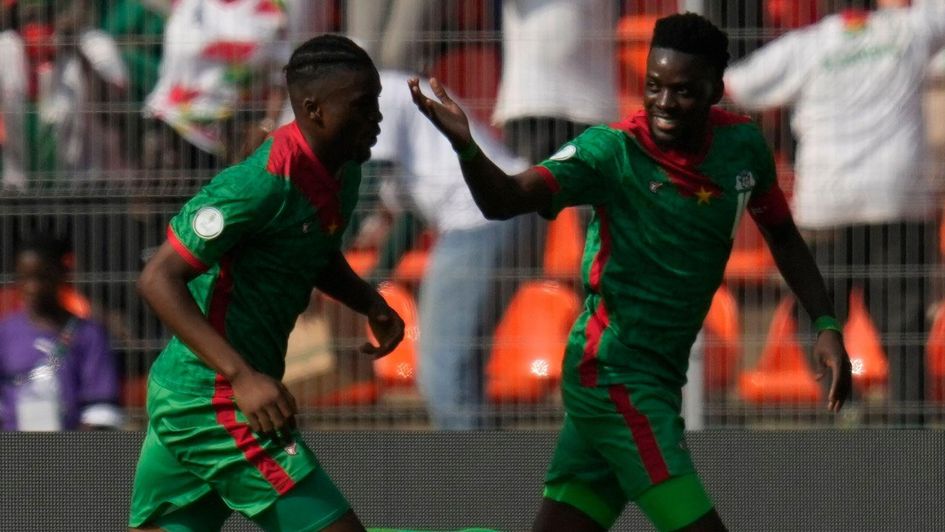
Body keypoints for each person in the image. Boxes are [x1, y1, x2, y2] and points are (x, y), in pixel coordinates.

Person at [409, 12, 852, 532]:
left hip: (660, 377)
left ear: (714, 91)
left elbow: (783, 236)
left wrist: (825, 323)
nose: (663, 103)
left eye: (683, 91)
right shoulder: (612, 151)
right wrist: (466, 145)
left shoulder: (742, 148)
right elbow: (505, 199)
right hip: (613, 375)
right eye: (653, 86)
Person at [128, 35, 404, 532]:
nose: (377, 119)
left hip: (210, 393)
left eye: (377, 103)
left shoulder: (342, 171)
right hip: (212, 398)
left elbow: (313, 250)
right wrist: (241, 376)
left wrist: (369, 302)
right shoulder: (257, 183)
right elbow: (157, 277)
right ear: (314, 109)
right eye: (364, 106)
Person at [724, 0, 945, 425]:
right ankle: (911, 427)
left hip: (828, 201)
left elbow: (739, 84)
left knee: (819, 315)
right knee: (905, 325)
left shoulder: (809, 45)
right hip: (896, 198)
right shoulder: (909, 31)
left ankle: (844, 408)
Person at [363, 70, 528, 429]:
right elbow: (414, 213)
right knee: (461, 370)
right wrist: (377, 275)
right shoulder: (391, 97)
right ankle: (488, 477)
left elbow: (365, 185)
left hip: (480, 222)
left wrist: (318, 253)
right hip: (504, 214)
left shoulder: (380, 92)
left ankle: (468, 481)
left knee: (444, 372)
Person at [0, 234, 123, 431]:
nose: (32, 287)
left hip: (70, 449)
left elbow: (101, 405)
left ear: (61, 275)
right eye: (25, 278)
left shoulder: (89, 334)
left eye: (42, 277)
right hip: (12, 449)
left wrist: (72, 452)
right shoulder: (5, 333)